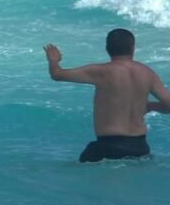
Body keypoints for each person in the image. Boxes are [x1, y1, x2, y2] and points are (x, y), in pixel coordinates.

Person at [45, 29, 170, 163]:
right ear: (133, 48)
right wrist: (150, 106)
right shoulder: (147, 73)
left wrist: (53, 60)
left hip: (109, 147)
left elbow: (57, 75)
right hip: (140, 147)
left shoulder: (101, 71)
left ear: (107, 49)